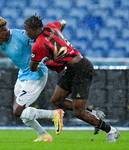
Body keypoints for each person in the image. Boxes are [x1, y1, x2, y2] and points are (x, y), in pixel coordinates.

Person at [24, 14, 120, 142]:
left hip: (81, 68)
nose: (26, 33)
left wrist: (44, 61)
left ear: (34, 30)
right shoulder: (51, 26)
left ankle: (111, 131)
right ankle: (92, 113)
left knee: (78, 112)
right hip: (72, 68)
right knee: (56, 100)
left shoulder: (38, 45)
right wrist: (58, 38)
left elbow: (32, 68)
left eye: (27, 30)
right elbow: (63, 22)